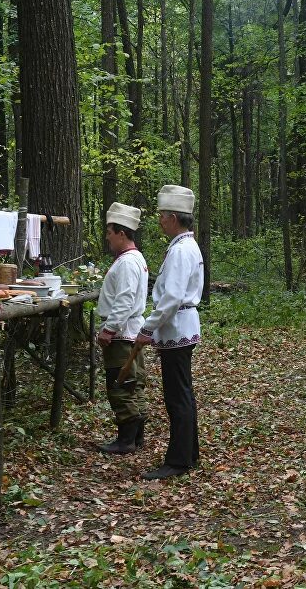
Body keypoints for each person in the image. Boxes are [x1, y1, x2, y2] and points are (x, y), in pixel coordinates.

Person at [135, 185, 204, 480]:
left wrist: (148, 328)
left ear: (174, 217)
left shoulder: (181, 250)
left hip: (176, 329)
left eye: (163, 215)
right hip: (178, 329)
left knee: (177, 396)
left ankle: (178, 460)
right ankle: (188, 454)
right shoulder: (185, 246)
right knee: (181, 394)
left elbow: (172, 298)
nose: (160, 220)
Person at [95, 203, 150, 454]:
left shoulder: (128, 262)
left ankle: (126, 440)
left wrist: (109, 329)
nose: (107, 238)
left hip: (122, 333)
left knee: (120, 385)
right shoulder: (134, 259)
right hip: (130, 330)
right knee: (133, 383)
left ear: (121, 233)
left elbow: (125, 299)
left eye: (109, 232)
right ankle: (136, 437)